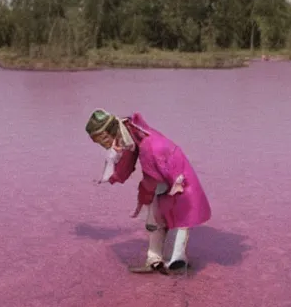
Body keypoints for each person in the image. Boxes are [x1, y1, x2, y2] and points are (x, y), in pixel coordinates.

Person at [86, 109, 211, 274]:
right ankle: (156, 260)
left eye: (102, 141)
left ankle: (174, 261)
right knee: (160, 217)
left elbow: (151, 179)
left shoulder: (148, 146)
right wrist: (114, 174)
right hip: (166, 173)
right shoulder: (134, 132)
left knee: (176, 218)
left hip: (174, 176)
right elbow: (128, 160)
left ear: (107, 134)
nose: (103, 145)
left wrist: (143, 195)